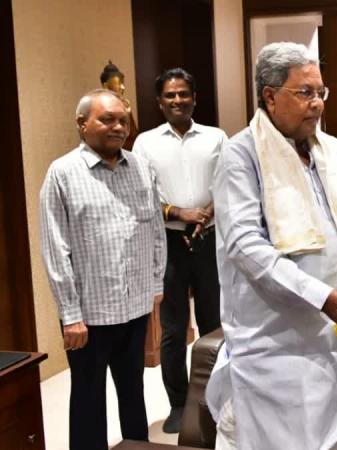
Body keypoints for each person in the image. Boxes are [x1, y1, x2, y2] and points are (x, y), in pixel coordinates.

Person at [206, 42, 337, 449]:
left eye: (321, 92)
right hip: (277, 347)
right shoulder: (240, 155)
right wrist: (324, 298)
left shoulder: (334, 150)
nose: (318, 104)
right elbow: (246, 247)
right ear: (270, 96)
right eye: (305, 92)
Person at [39, 89, 166, 450]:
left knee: (134, 392)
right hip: (89, 316)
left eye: (123, 120)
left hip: (135, 307)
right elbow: (55, 249)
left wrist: (155, 285)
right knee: (88, 397)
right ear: (82, 124)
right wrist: (70, 315)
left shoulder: (140, 167)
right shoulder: (62, 173)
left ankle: (137, 445)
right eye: (107, 119)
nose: (118, 127)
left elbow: (156, 231)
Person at [132, 68, 226, 433]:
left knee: (213, 324)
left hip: (210, 239)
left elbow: (228, 183)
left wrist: (205, 214)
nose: (177, 100)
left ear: (194, 98)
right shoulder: (145, 144)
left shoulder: (216, 138)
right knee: (173, 329)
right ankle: (178, 404)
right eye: (170, 95)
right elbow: (141, 196)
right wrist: (178, 213)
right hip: (168, 243)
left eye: (183, 93)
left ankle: (215, 400)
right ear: (159, 102)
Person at [100, 61, 138, 149]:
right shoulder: (100, 107)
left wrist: (128, 113)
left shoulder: (125, 105)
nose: (123, 87)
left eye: (123, 83)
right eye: (119, 83)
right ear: (106, 86)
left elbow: (133, 135)